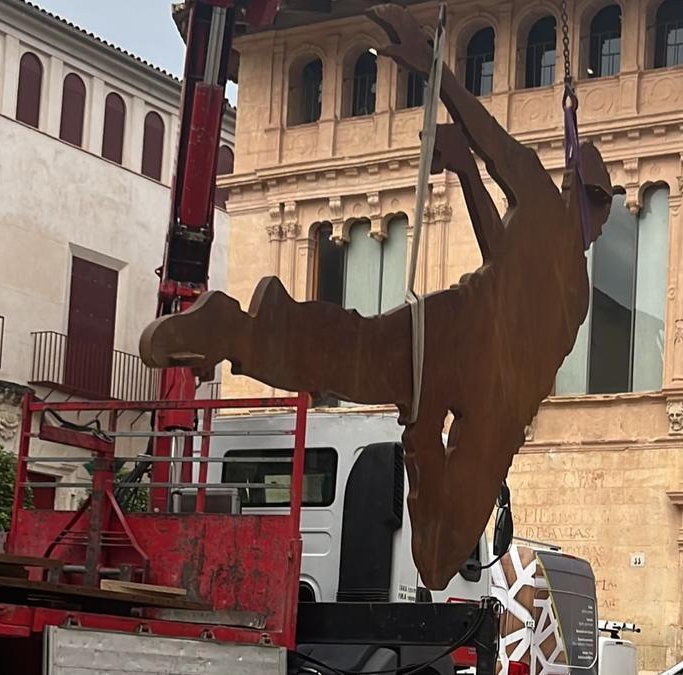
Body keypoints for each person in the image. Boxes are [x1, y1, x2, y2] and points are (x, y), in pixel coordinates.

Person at [138, 4, 615, 589]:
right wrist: (435, 70)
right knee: (358, 356)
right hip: (457, 345)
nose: (600, 214)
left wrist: (464, 170)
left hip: (490, 396)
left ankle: (399, 429)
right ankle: (236, 330)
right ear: (576, 191)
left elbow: (500, 250)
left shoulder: (575, 284)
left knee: (441, 556)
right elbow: (489, 136)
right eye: (594, 197)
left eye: (604, 203)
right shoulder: (546, 212)